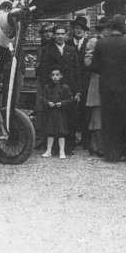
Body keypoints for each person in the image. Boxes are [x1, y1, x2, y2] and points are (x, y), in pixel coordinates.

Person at [91, 15, 126, 163]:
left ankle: (109, 153)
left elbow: (94, 66)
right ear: (123, 29)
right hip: (125, 87)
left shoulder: (101, 43)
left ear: (110, 28)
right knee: (123, 119)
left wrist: (106, 71)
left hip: (107, 87)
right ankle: (122, 151)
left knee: (108, 119)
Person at [38, 24, 81, 155]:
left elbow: (77, 71)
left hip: (69, 90)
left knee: (69, 118)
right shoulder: (48, 50)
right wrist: (47, 91)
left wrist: (78, 91)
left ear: (66, 35)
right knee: (53, 118)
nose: (60, 36)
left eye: (63, 34)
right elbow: (44, 72)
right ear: (54, 35)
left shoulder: (71, 49)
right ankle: (53, 147)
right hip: (53, 90)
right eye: (57, 34)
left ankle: (68, 147)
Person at [84, 16, 109, 156]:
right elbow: (88, 62)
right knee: (97, 114)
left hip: (107, 81)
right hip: (97, 80)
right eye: (106, 29)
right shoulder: (94, 42)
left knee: (102, 114)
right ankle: (96, 145)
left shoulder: (107, 41)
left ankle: (98, 145)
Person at [66, 15, 91, 150]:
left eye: (81, 29)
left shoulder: (89, 44)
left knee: (85, 110)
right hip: (72, 81)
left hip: (86, 81)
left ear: (85, 30)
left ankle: (85, 140)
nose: (79, 31)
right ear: (73, 30)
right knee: (71, 110)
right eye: (76, 28)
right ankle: (71, 139)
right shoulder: (68, 44)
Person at [40, 66, 72, 159]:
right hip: (50, 113)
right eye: (53, 75)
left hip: (61, 113)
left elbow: (70, 99)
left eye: (57, 75)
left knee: (61, 132)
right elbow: (42, 98)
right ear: (50, 76)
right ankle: (48, 151)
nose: (55, 77)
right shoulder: (47, 87)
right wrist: (48, 103)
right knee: (50, 132)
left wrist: (61, 103)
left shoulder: (65, 87)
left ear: (61, 76)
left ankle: (62, 151)